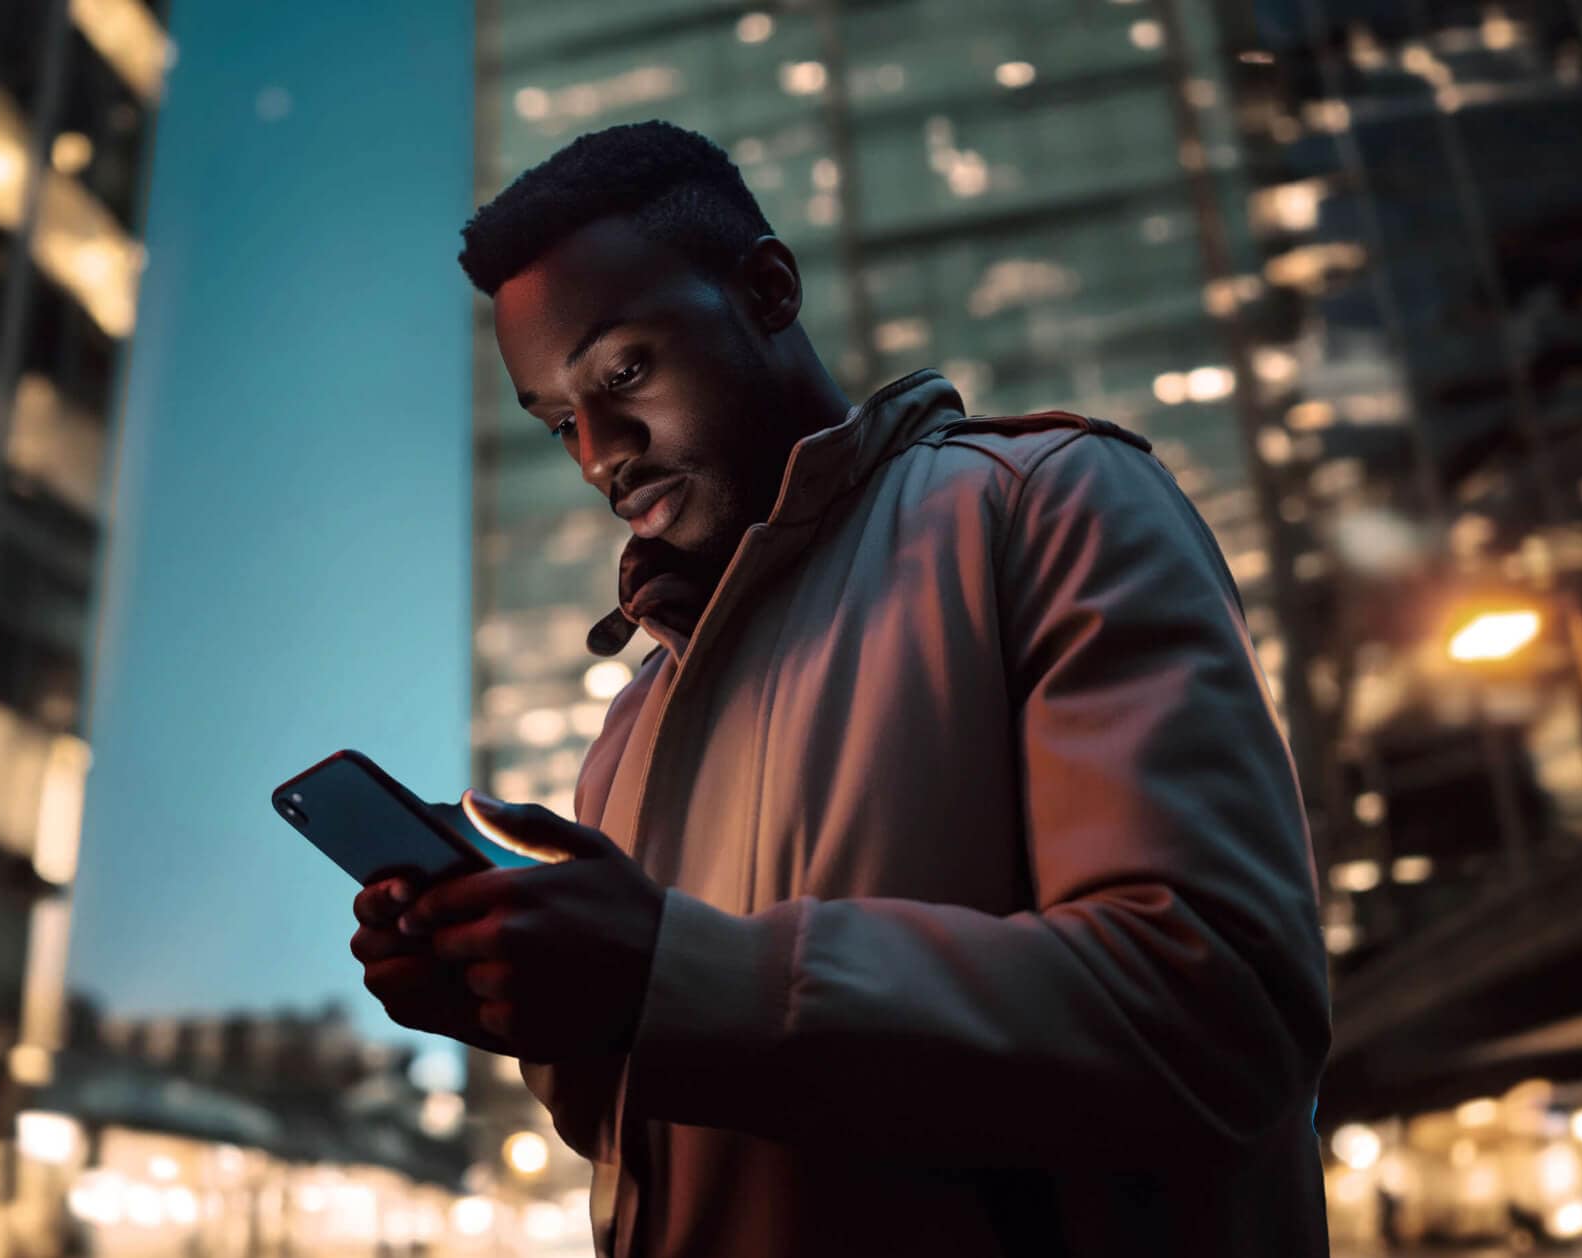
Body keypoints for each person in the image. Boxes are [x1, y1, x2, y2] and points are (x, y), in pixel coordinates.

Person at [349, 120, 1330, 1257]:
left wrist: (664, 971)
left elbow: (1215, 1020)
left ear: (766, 289)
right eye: (560, 420)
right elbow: (655, 1147)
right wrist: (529, 999)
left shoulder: (1045, 507)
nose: (598, 453)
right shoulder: (630, 724)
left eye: (623, 372)